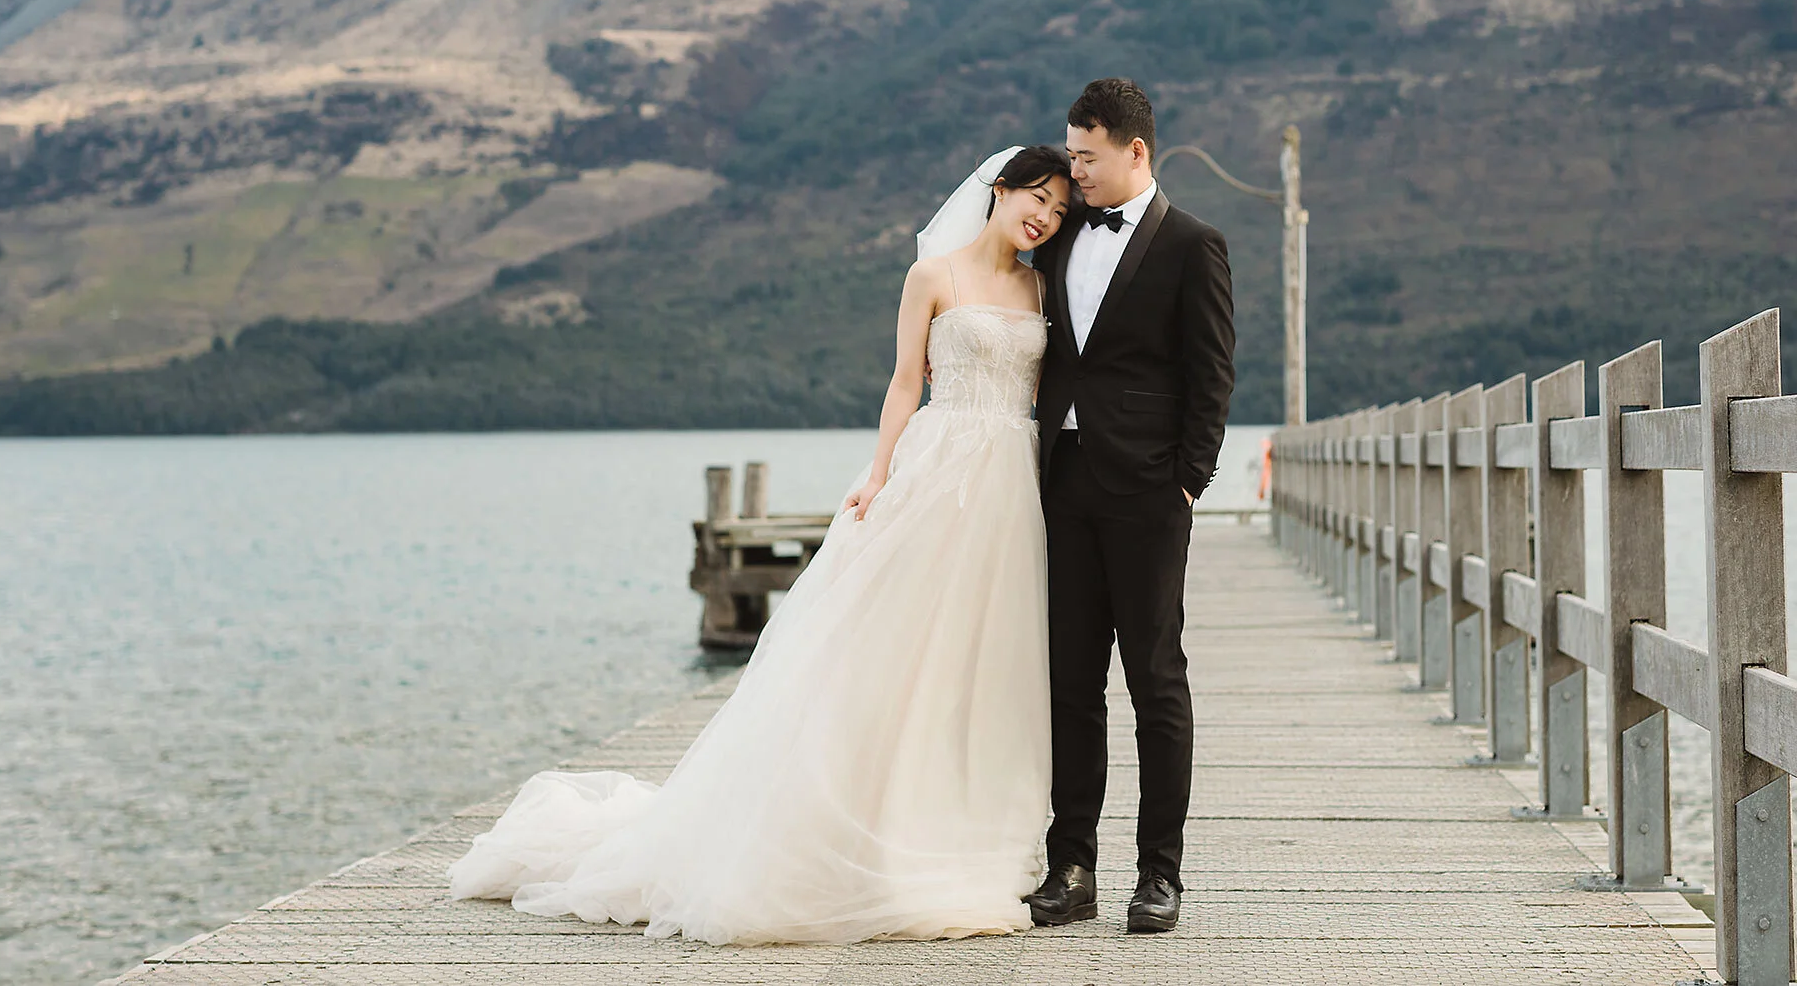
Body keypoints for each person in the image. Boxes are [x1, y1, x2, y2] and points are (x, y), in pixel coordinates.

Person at [447, 146, 1074, 944]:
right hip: (938, 466)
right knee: (896, 650)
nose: (1045, 217)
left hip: (1011, 484)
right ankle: (871, 830)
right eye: (1037, 197)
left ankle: (970, 826)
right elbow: (902, 383)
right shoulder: (933, 275)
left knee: (985, 658)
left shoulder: (1042, 288)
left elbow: (1052, 388)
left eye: (1059, 210)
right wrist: (879, 474)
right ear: (1001, 189)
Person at [1026, 78, 1237, 935]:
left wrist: (1188, 478)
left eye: (1086, 157)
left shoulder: (1193, 243)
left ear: (1135, 149)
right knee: (1071, 683)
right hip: (1062, 483)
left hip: (1150, 490)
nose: (1073, 172)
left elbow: (1211, 371)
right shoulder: (1060, 235)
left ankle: (1160, 874)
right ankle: (1071, 866)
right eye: (1072, 155)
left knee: (1155, 679)